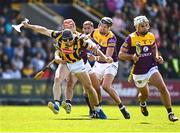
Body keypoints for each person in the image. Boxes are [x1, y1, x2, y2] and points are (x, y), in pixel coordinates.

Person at [22, 20, 113, 119]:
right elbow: (43, 30)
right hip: (65, 63)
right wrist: (29, 25)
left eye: (70, 40)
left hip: (77, 63)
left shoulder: (79, 40)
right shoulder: (58, 35)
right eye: (66, 40)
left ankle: (98, 109)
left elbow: (95, 49)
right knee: (57, 79)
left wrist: (105, 58)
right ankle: (56, 104)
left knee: (89, 87)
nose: (68, 42)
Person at [118, 15, 178, 122]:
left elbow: (154, 47)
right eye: (142, 26)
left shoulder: (151, 36)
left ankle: (170, 113)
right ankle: (142, 103)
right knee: (144, 95)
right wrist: (132, 57)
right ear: (136, 27)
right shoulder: (131, 38)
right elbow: (120, 54)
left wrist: (156, 56)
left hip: (151, 67)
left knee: (163, 88)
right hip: (138, 72)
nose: (145, 28)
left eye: (146, 25)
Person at [90, 17, 130, 119]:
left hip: (110, 64)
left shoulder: (112, 38)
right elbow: (85, 38)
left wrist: (94, 57)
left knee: (106, 86)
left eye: (105, 27)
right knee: (93, 88)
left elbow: (107, 58)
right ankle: (97, 109)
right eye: (101, 26)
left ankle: (122, 107)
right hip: (98, 64)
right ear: (98, 26)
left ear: (109, 29)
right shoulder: (94, 32)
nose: (103, 29)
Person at [62, 21, 102, 116]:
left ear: (75, 27)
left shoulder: (81, 36)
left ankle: (98, 108)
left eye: (71, 26)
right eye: (67, 27)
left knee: (96, 87)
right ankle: (70, 103)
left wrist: (96, 52)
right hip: (75, 64)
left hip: (85, 64)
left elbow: (91, 45)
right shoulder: (63, 37)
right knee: (71, 83)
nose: (70, 28)